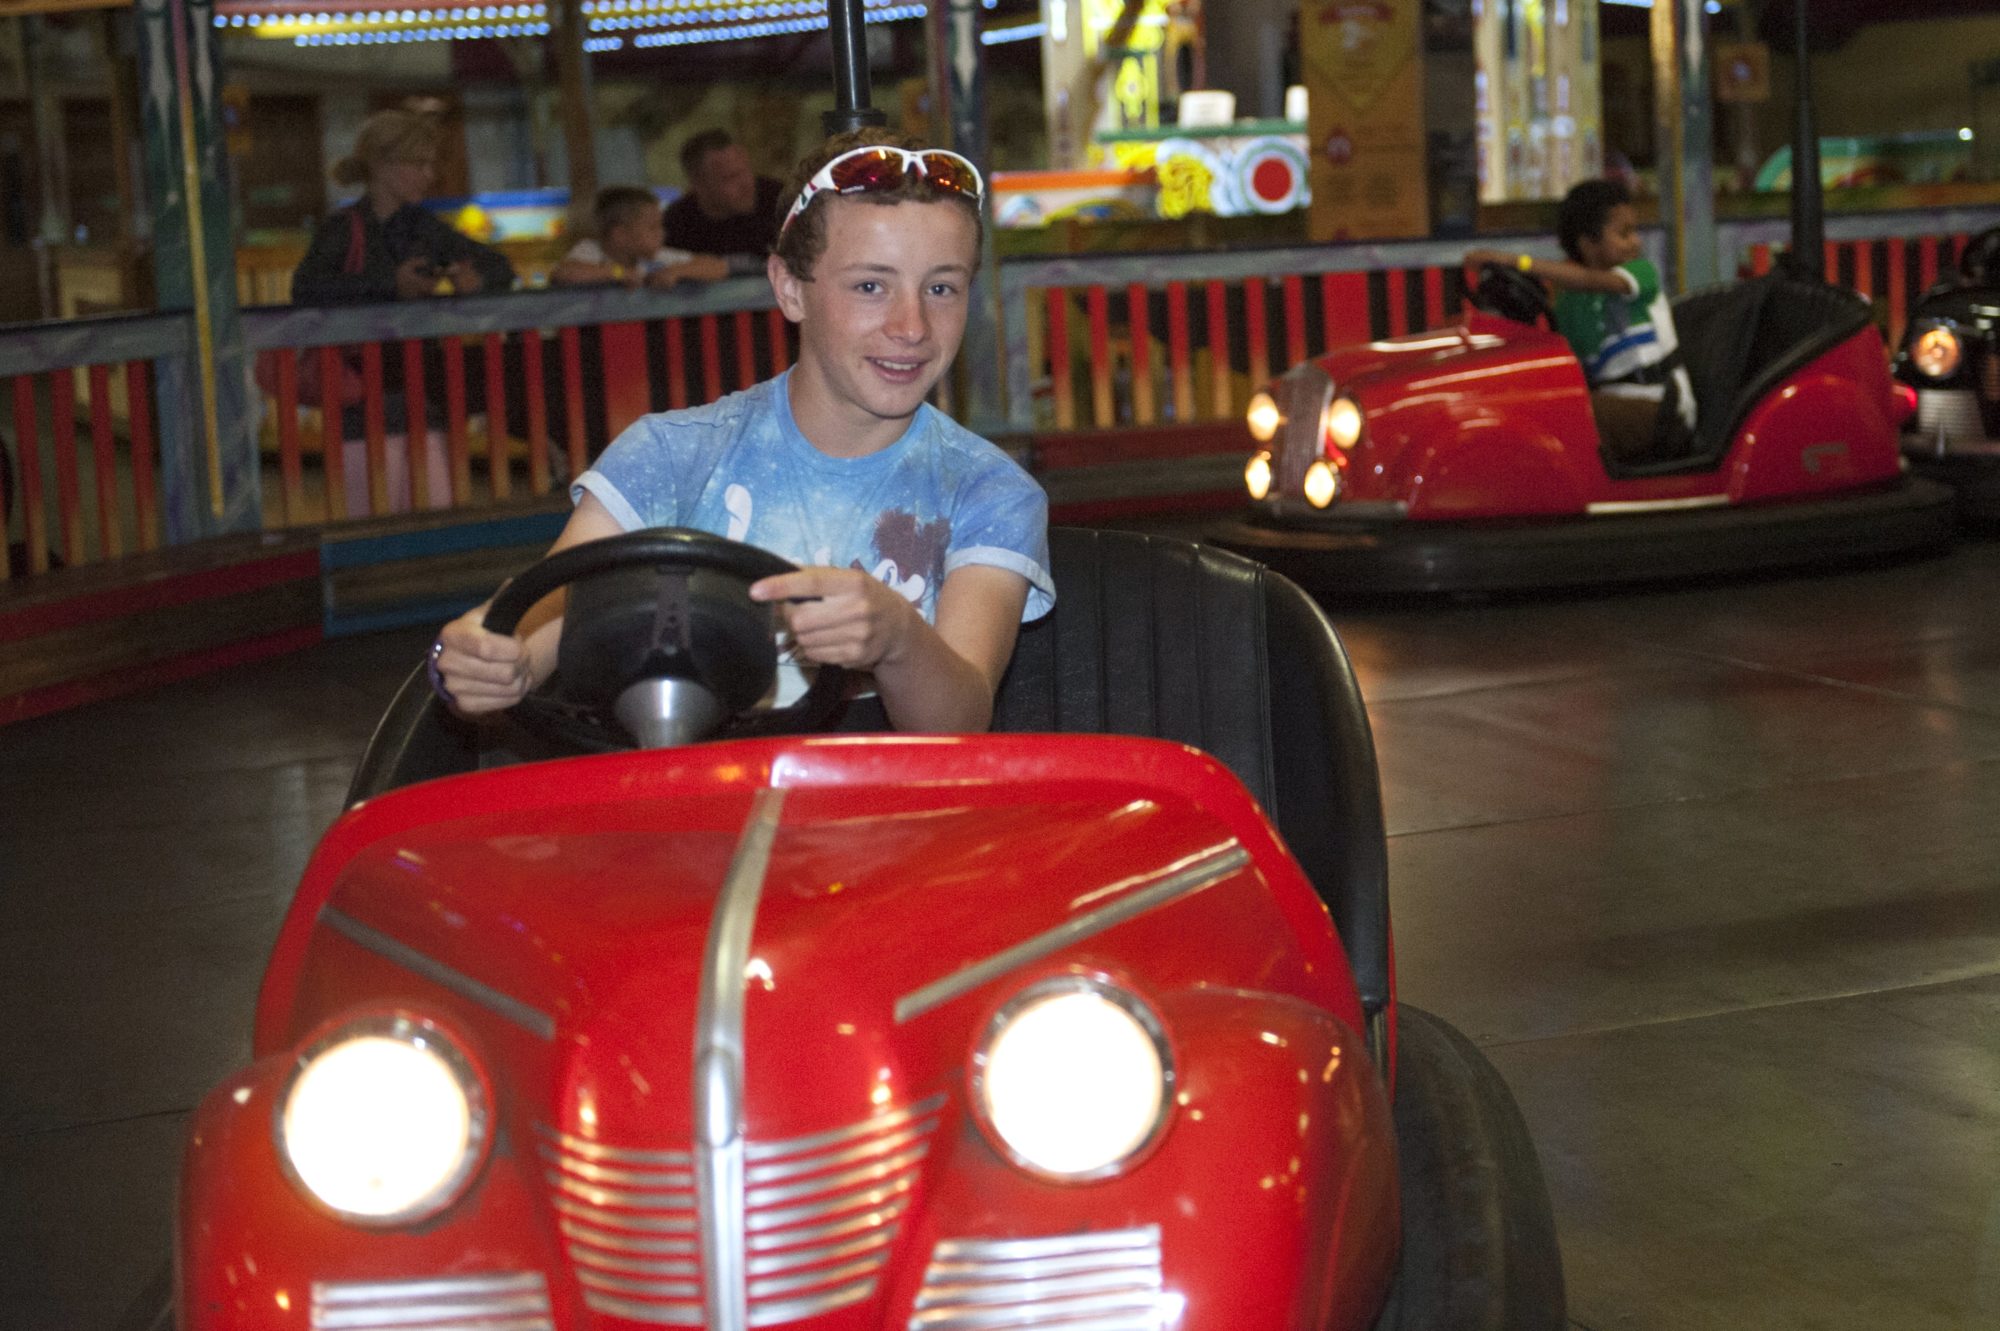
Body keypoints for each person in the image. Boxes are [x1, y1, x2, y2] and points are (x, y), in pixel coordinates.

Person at [433, 129, 1054, 735]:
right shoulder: (671, 455)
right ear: (789, 289)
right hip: (685, 798)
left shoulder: (989, 489)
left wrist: (897, 638)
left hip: (885, 807)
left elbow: (960, 722)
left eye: (941, 288)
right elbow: (530, 636)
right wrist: (480, 665)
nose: (912, 325)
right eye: (870, 286)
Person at [290, 108, 517, 514]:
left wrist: (475, 278)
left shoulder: (422, 227)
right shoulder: (343, 228)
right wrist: (390, 283)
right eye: (418, 164)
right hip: (359, 389)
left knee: (434, 505)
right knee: (371, 510)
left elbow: (499, 265)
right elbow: (306, 288)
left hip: (420, 387)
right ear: (381, 165)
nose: (428, 174)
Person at [1468, 177, 1696, 463]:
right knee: (1532, 408)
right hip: (1615, 404)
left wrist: (1517, 262)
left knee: (1560, 417)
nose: (1636, 242)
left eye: (1633, 232)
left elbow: (1591, 281)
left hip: (1662, 409)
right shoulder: (1568, 305)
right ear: (1589, 245)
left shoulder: (1640, 274)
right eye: (1624, 234)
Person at [549, 186, 730, 289]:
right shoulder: (590, 250)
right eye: (652, 227)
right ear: (620, 235)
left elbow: (718, 267)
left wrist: (676, 272)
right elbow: (566, 273)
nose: (661, 233)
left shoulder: (658, 257)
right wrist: (619, 273)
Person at [661, 130, 787, 275]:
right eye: (731, 178)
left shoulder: (779, 200)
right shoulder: (676, 225)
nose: (746, 184)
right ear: (699, 185)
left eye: (746, 170)